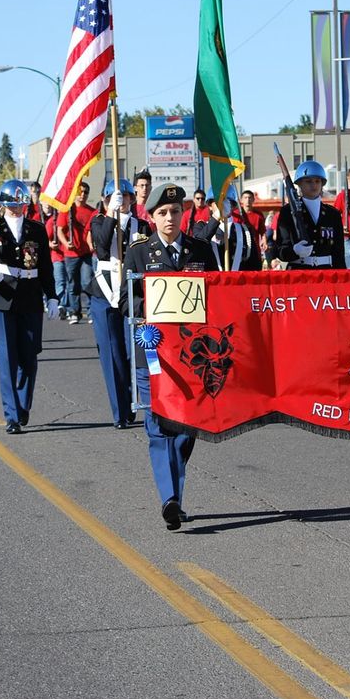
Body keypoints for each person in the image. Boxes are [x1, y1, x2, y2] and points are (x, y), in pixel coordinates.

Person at [122, 183, 219, 531]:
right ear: (151, 217)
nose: (169, 218)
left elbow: (219, 296)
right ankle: (170, 499)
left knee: (186, 430)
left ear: (184, 214)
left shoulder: (202, 250)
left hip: (192, 358)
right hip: (153, 353)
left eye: (175, 212)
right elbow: (126, 302)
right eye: (162, 213)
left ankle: (174, 493)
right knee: (158, 427)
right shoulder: (137, 253)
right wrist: (152, 312)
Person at [0, 179, 58, 434]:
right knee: (7, 356)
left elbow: (45, 265)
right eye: (11, 204)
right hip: (0, 297)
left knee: (29, 357)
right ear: (2, 204)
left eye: (20, 204)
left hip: (30, 296)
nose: (16, 208)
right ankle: (11, 414)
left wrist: (52, 296)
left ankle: (22, 405)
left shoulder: (36, 229)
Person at [86, 179, 147, 429]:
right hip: (104, 293)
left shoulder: (142, 225)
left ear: (133, 199)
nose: (123, 201)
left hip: (131, 295)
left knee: (136, 353)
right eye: (114, 197)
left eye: (126, 197)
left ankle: (136, 402)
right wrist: (112, 213)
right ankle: (120, 412)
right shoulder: (99, 221)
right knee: (113, 355)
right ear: (105, 201)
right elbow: (101, 247)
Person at [275, 161, 346, 269]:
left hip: (326, 272)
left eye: (317, 181)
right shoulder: (288, 212)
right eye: (308, 181)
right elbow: (281, 251)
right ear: (299, 184)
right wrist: (294, 251)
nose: (314, 185)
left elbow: (339, 252)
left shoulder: (332, 214)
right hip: (299, 272)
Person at [194, 186, 263, 271]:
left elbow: (254, 266)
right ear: (210, 206)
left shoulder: (244, 231)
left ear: (232, 206)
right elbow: (198, 246)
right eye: (218, 202)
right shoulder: (201, 226)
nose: (222, 205)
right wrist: (216, 217)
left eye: (226, 202)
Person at [57, 182, 96, 324]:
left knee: (87, 282)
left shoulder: (92, 212)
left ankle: (91, 312)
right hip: (71, 254)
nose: (83, 195)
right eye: (80, 192)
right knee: (73, 284)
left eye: (85, 192)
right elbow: (60, 230)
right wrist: (66, 243)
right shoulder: (67, 210)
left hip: (86, 253)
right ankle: (75, 312)